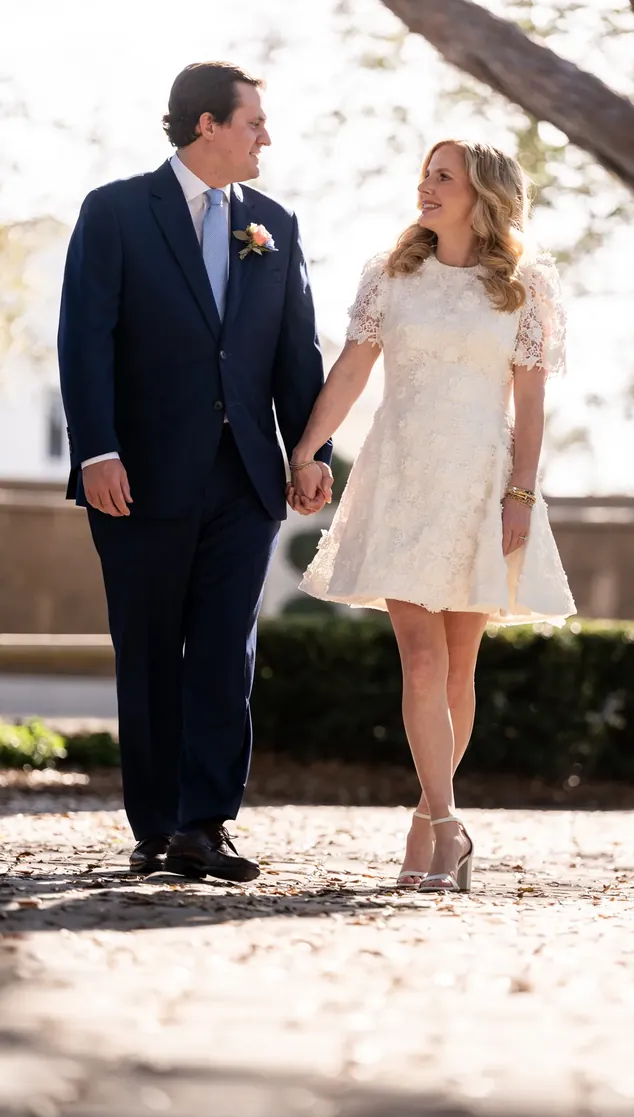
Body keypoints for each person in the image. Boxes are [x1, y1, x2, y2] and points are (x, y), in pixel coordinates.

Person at [58, 62, 331, 882]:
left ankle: (205, 824)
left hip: (244, 478)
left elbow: (295, 352)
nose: (266, 139)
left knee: (225, 651)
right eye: (254, 123)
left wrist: (306, 450)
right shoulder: (114, 212)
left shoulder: (274, 224)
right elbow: (85, 337)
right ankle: (155, 822)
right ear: (206, 125)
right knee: (148, 649)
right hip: (134, 476)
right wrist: (96, 450)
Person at [287, 139, 575, 893]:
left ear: (482, 193)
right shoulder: (391, 276)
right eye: (425, 173)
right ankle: (447, 823)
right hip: (403, 476)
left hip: (481, 484)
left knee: (457, 667)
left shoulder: (524, 287)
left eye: (442, 176)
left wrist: (521, 496)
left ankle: (430, 819)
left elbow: (533, 405)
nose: (426, 186)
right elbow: (351, 369)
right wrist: (309, 448)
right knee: (419, 657)